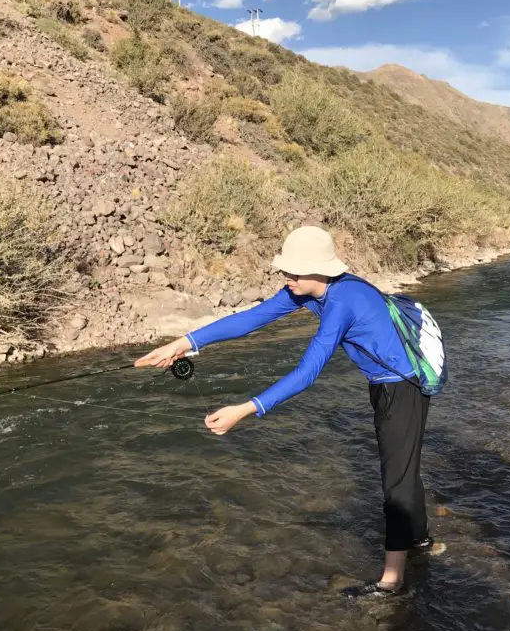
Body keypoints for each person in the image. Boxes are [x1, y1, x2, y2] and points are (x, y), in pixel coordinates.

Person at [134, 225, 440, 597]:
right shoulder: (311, 291)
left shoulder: (341, 304)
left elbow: (307, 373)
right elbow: (251, 319)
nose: (287, 277)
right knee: (402, 467)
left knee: (396, 482)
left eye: (294, 272)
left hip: (401, 388)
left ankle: (392, 582)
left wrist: (244, 409)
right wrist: (182, 343)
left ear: (320, 271)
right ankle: (420, 540)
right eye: (286, 270)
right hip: (384, 386)